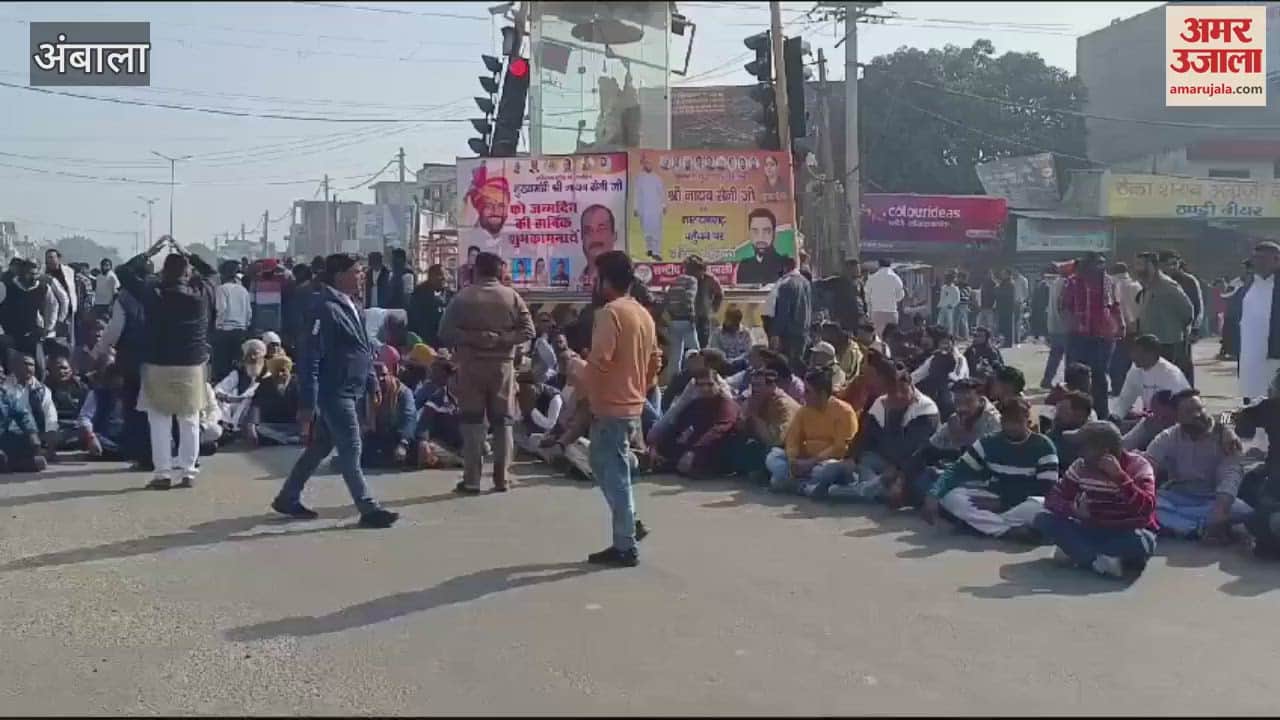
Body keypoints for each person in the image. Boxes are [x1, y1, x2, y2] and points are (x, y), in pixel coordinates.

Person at [270, 253, 399, 528]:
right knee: (352, 447)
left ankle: (288, 497)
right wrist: (308, 402)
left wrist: (372, 381)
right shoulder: (323, 308)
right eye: (356, 271)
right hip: (334, 390)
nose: (361, 276)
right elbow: (310, 357)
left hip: (353, 386)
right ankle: (368, 508)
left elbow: (363, 348)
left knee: (320, 446)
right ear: (339, 275)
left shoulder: (353, 304)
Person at [576, 250, 660, 567]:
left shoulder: (610, 314)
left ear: (606, 281)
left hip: (611, 405)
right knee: (610, 466)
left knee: (613, 472)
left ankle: (625, 544)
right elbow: (656, 361)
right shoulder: (642, 313)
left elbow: (600, 361)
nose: (594, 284)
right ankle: (630, 523)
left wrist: (579, 375)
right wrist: (638, 386)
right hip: (631, 404)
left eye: (596, 278)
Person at [115, 237, 216, 491]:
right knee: (190, 419)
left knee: (158, 420)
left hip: (157, 363)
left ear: (163, 273)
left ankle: (162, 474)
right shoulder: (200, 295)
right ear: (187, 272)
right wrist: (189, 254)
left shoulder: (152, 294)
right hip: (192, 364)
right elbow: (212, 274)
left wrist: (149, 253)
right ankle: (188, 472)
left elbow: (123, 272)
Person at [438, 251, 535, 494]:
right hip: (502, 367)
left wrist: (474, 338)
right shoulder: (511, 297)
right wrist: (502, 339)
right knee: (503, 424)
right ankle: (502, 479)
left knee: (472, 424)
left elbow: (445, 332)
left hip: (471, 367)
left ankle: (471, 480)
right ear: (498, 271)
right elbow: (528, 330)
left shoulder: (462, 297)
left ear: (477, 270)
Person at [1032, 421, 1158, 578]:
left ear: (1104, 452)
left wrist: (1121, 478)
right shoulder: (1081, 466)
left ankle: (1079, 552)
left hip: (1127, 531)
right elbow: (1053, 497)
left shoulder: (1138, 466)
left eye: (1084, 448)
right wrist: (1074, 510)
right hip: (1092, 528)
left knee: (1141, 542)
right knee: (1043, 519)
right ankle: (1099, 562)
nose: (1079, 453)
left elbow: (1147, 508)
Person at [924, 396, 1058, 540]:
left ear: (1027, 420)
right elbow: (957, 470)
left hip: (1023, 502)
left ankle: (980, 526)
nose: (1012, 426)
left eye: (1017, 421)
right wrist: (934, 494)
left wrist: (1004, 503)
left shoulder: (1043, 446)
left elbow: (1046, 488)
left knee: (1041, 507)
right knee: (950, 496)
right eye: (1008, 421)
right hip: (995, 494)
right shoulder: (988, 442)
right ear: (1001, 421)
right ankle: (1007, 531)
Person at [816, 362, 939, 502]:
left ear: (911, 386)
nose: (898, 396)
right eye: (893, 392)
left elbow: (916, 451)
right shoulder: (881, 404)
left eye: (903, 391)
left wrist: (898, 476)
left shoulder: (926, 410)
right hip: (882, 462)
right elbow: (863, 435)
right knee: (857, 463)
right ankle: (868, 486)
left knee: (903, 489)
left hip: (913, 468)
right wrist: (851, 457)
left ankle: (845, 491)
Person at [1146, 389, 1250, 541]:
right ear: (1177, 417)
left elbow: (1231, 475)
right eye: (1188, 412)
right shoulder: (1168, 437)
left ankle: (1181, 526)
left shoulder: (1226, 439)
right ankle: (1198, 529)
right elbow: (1146, 467)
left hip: (1213, 498)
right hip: (1176, 497)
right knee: (1150, 505)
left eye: (1200, 409)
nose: (1197, 415)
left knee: (1244, 512)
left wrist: (1221, 509)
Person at [903, 378, 1002, 508]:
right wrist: (902, 474)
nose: (962, 407)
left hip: (985, 478)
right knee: (922, 469)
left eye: (968, 402)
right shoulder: (956, 418)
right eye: (957, 402)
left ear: (980, 398)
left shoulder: (993, 421)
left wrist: (958, 442)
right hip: (959, 472)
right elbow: (929, 447)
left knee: (935, 482)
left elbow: (982, 460)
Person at [765, 367, 857, 495]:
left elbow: (841, 448)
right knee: (773, 456)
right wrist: (793, 462)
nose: (804, 395)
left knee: (827, 471)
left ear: (822, 394)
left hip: (826, 462)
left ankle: (797, 485)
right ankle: (806, 486)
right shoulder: (804, 411)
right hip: (804, 461)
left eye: (808, 392)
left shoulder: (844, 412)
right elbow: (792, 439)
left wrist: (812, 462)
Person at [1062, 252, 1124, 418]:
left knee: (1099, 376)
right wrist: (1074, 324)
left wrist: (1120, 325)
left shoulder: (1109, 282)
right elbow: (1065, 307)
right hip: (1079, 337)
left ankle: (1101, 414)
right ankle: (1077, 413)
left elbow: (1115, 306)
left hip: (1102, 338)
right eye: (1095, 264)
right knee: (1077, 377)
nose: (1099, 267)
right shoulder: (1072, 282)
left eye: (1102, 263)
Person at [647, 366, 739, 477]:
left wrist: (693, 451)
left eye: (710, 384)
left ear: (718, 385)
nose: (705, 388)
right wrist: (656, 447)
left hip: (714, 450)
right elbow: (677, 427)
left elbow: (719, 429)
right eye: (701, 385)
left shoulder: (726, 403)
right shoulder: (695, 404)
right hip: (691, 448)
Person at [727, 363, 799, 483]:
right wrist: (745, 414)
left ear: (772, 386)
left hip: (786, 450)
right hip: (764, 443)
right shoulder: (755, 399)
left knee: (761, 450)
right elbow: (740, 429)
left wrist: (755, 415)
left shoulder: (783, 406)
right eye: (753, 385)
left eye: (759, 385)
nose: (754, 389)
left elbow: (774, 441)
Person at [1133, 251, 1195, 385]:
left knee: (1168, 382)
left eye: (1142, 265)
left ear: (1153, 265)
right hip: (1150, 344)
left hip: (1168, 343)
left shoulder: (1167, 286)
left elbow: (1188, 311)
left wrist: (1177, 329)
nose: (1138, 269)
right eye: (1137, 265)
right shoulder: (1147, 287)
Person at [1235, 241, 1280, 403]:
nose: (1258, 262)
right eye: (1255, 258)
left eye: (1263, 258)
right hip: (1249, 355)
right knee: (1252, 400)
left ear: (1277, 260)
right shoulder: (1249, 282)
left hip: (1275, 355)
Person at [0, 257, 59, 378]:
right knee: (10, 371)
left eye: (35, 274)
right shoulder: (6, 286)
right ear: (21, 272)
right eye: (29, 273)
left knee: (39, 369)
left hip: (33, 335)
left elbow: (53, 305)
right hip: (9, 336)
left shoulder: (43, 288)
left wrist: (48, 328)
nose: (32, 277)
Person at [1112, 334, 1190, 420]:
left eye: (1139, 353)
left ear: (1153, 354)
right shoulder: (1135, 370)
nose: (1133, 356)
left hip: (1173, 420)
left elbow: (1178, 407)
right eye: (1133, 352)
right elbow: (1125, 400)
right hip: (1150, 419)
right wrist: (1116, 417)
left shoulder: (1170, 374)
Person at [1158, 251, 1204, 384]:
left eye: (1174, 263)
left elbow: (1197, 305)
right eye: (1167, 264)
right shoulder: (1155, 281)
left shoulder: (1189, 280)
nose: (1171, 267)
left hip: (1183, 332)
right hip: (1159, 331)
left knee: (1183, 365)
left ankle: (1187, 395)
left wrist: (1195, 329)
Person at [361, 359, 416, 468]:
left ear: (390, 375)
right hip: (375, 436)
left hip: (398, 437)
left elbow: (409, 418)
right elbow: (357, 418)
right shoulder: (364, 394)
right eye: (375, 378)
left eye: (383, 376)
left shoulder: (403, 392)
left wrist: (403, 444)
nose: (380, 380)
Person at [6, 351, 58, 460]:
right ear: (15, 366)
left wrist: (51, 435)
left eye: (31, 364)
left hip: (36, 434)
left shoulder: (43, 390)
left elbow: (50, 414)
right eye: (24, 363)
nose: (28, 367)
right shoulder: (5, 388)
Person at [243, 355, 301, 446]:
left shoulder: (298, 382)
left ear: (288, 370)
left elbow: (306, 406)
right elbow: (255, 405)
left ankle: (280, 439)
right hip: (271, 425)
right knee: (260, 429)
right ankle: (285, 439)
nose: (280, 374)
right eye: (276, 371)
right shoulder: (265, 384)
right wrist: (251, 427)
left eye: (283, 370)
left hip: (293, 425)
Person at [768, 255, 812, 371]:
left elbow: (783, 312)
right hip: (803, 332)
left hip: (788, 334)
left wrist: (776, 333)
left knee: (787, 367)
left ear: (785, 267)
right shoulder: (805, 282)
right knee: (798, 365)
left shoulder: (785, 284)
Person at [213, 260, 253, 381]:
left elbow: (221, 309)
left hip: (224, 331)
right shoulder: (243, 290)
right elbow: (249, 313)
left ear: (223, 274)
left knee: (222, 368)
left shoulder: (221, 289)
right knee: (238, 367)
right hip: (241, 331)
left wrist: (217, 326)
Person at [214, 338, 265, 433]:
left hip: (254, 411)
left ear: (263, 357)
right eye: (249, 355)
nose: (253, 358)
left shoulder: (267, 375)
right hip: (234, 407)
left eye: (256, 354)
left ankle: (235, 428)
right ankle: (227, 426)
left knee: (247, 400)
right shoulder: (238, 373)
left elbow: (252, 394)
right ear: (244, 358)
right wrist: (226, 397)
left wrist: (240, 398)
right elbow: (218, 389)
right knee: (220, 399)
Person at [663, 259, 701, 381]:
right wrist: (692, 317)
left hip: (673, 320)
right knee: (696, 352)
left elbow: (667, 299)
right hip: (685, 320)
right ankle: (698, 378)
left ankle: (672, 384)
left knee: (675, 355)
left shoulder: (676, 281)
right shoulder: (692, 281)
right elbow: (689, 298)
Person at [45, 354, 88, 451]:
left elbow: (85, 414)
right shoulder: (45, 390)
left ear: (71, 370)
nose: (61, 371)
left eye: (64, 368)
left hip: (76, 427)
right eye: (57, 369)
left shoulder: (82, 389)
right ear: (50, 372)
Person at [407, 264, 452, 350]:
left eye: (445, 274)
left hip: (443, 342)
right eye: (440, 275)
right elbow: (417, 320)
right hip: (424, 341)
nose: (443, 278)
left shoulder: (448, 293)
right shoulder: (419, 293)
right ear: (431, 277)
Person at [735, 208, 786, 285]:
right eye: (755, 231)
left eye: (766, 231)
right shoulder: (744, 266)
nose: (760, 238)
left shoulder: (784, 264)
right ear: (749, 234)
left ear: (774, 234)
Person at [576, 205, 620, 291]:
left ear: (614, 236)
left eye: (601, 229)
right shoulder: (571, 286)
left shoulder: (629, 284)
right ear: (582, 237)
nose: (594, 236)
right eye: (588, 231)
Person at [632, 151, 666, 261]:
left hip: (656, 208)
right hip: (643, 208)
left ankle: (657, 252)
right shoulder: (639, 178)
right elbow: (636, 193)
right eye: (646, 163)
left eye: (650, 163)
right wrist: (636, 208)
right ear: (643, 165)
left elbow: (662, 193)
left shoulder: (657, 178)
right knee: (646, 230)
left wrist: (664, 206)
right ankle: (650, 249)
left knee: (656, 230)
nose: (648, 165)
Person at [1046, 390, 1092, 471]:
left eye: (1063, 411)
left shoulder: (1090, 441)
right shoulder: (1052, 434)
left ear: (1080, 415)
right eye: (1058, 409)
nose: (1057, 415)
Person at [45, 248, 78, 346]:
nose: (50, 260)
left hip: (67, 307)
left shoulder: (69, 271)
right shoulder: (44, 273)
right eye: (47, 258)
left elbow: (72, 290)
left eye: (52, 257)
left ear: (58, 258)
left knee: (66, 336)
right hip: (50, 307)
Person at [865, 258, 905, 336]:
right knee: (892, 336)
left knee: (877, 337)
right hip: (891, 311)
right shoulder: (896, 278)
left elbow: (867, 296)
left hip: (876, 312)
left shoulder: (872, 278)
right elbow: (900, 296)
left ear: (879, 265)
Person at [710, 307, 753, 372]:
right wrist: (727, 361)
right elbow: (716, 352)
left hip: (741, 365)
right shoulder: (717, 334)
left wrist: (735, 361)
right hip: (723, 365)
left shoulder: (745, 333)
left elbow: (748, 352)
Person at [995, 269, 1018, 348]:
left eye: (1004, 273)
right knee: (1003, 325)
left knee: (1008, 326)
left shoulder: (1010, 283)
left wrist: (998, 289)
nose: (1002, 275)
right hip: (1002, 307)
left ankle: (1008, 342)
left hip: (1007, 307)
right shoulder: (1003, 283)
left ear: (1008, 274)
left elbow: (1006, 294)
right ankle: (1004, 341)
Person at [936, 271, 960, 336]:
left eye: (948, 279)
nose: (946, 280)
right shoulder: (943, 288)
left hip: (949, 308)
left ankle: (949, 336)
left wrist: (952, 305)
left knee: (949, 323)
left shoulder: (955, 288)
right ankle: (940, 335)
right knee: (940, 322)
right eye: (946, 279)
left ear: (951, 280)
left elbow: (957, 299)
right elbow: (942, 298)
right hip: (942, 307)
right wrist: (939, 305)